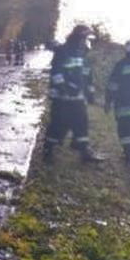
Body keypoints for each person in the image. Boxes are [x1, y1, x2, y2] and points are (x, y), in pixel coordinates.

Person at [44, 24, 104, 162]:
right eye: (86, 38)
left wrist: (90, 95)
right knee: (58, 124)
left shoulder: (82, 54)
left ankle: (84, 152)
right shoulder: (63, 50)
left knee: (81, 123)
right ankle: (48, 151)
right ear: (79, 37)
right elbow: (56, 72)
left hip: (77, 98)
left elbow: (87, 77)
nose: (87, 42)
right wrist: (63, 88)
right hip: (62, 97)